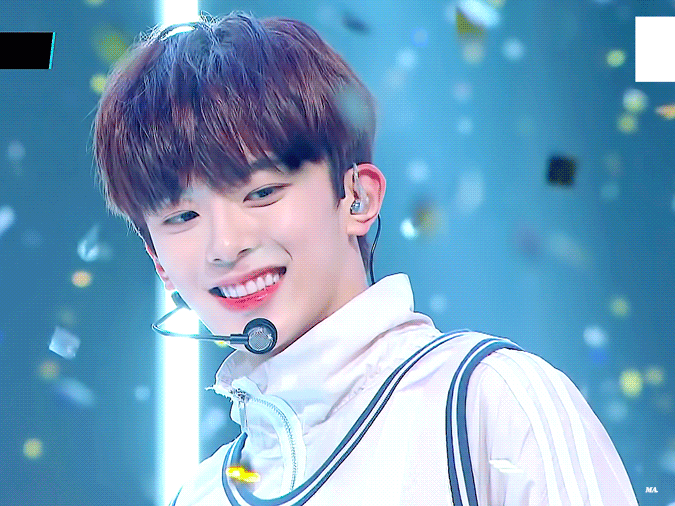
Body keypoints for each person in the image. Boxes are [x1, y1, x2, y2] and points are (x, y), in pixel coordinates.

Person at [91, 11, 640, 506]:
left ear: (358, 197)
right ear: (157, 260)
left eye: (262, 192)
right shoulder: (200, 494)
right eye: (182, 217)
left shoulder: (492, 403)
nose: (225, 245)